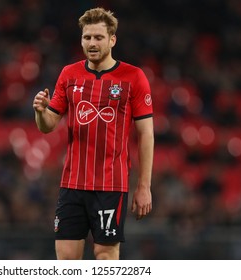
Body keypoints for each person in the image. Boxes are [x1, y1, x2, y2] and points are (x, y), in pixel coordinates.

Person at [32, 7, 154, 260]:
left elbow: (146, 135)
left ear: (112, 39)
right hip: (72, 184)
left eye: (98, 37)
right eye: (87, 37)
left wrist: (144, 186)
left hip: (111, 184)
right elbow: (48, 125)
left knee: (105, 259)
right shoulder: (69, 74)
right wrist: (40, 111)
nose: (92, 43)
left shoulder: (134, 77)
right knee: (66, 262)